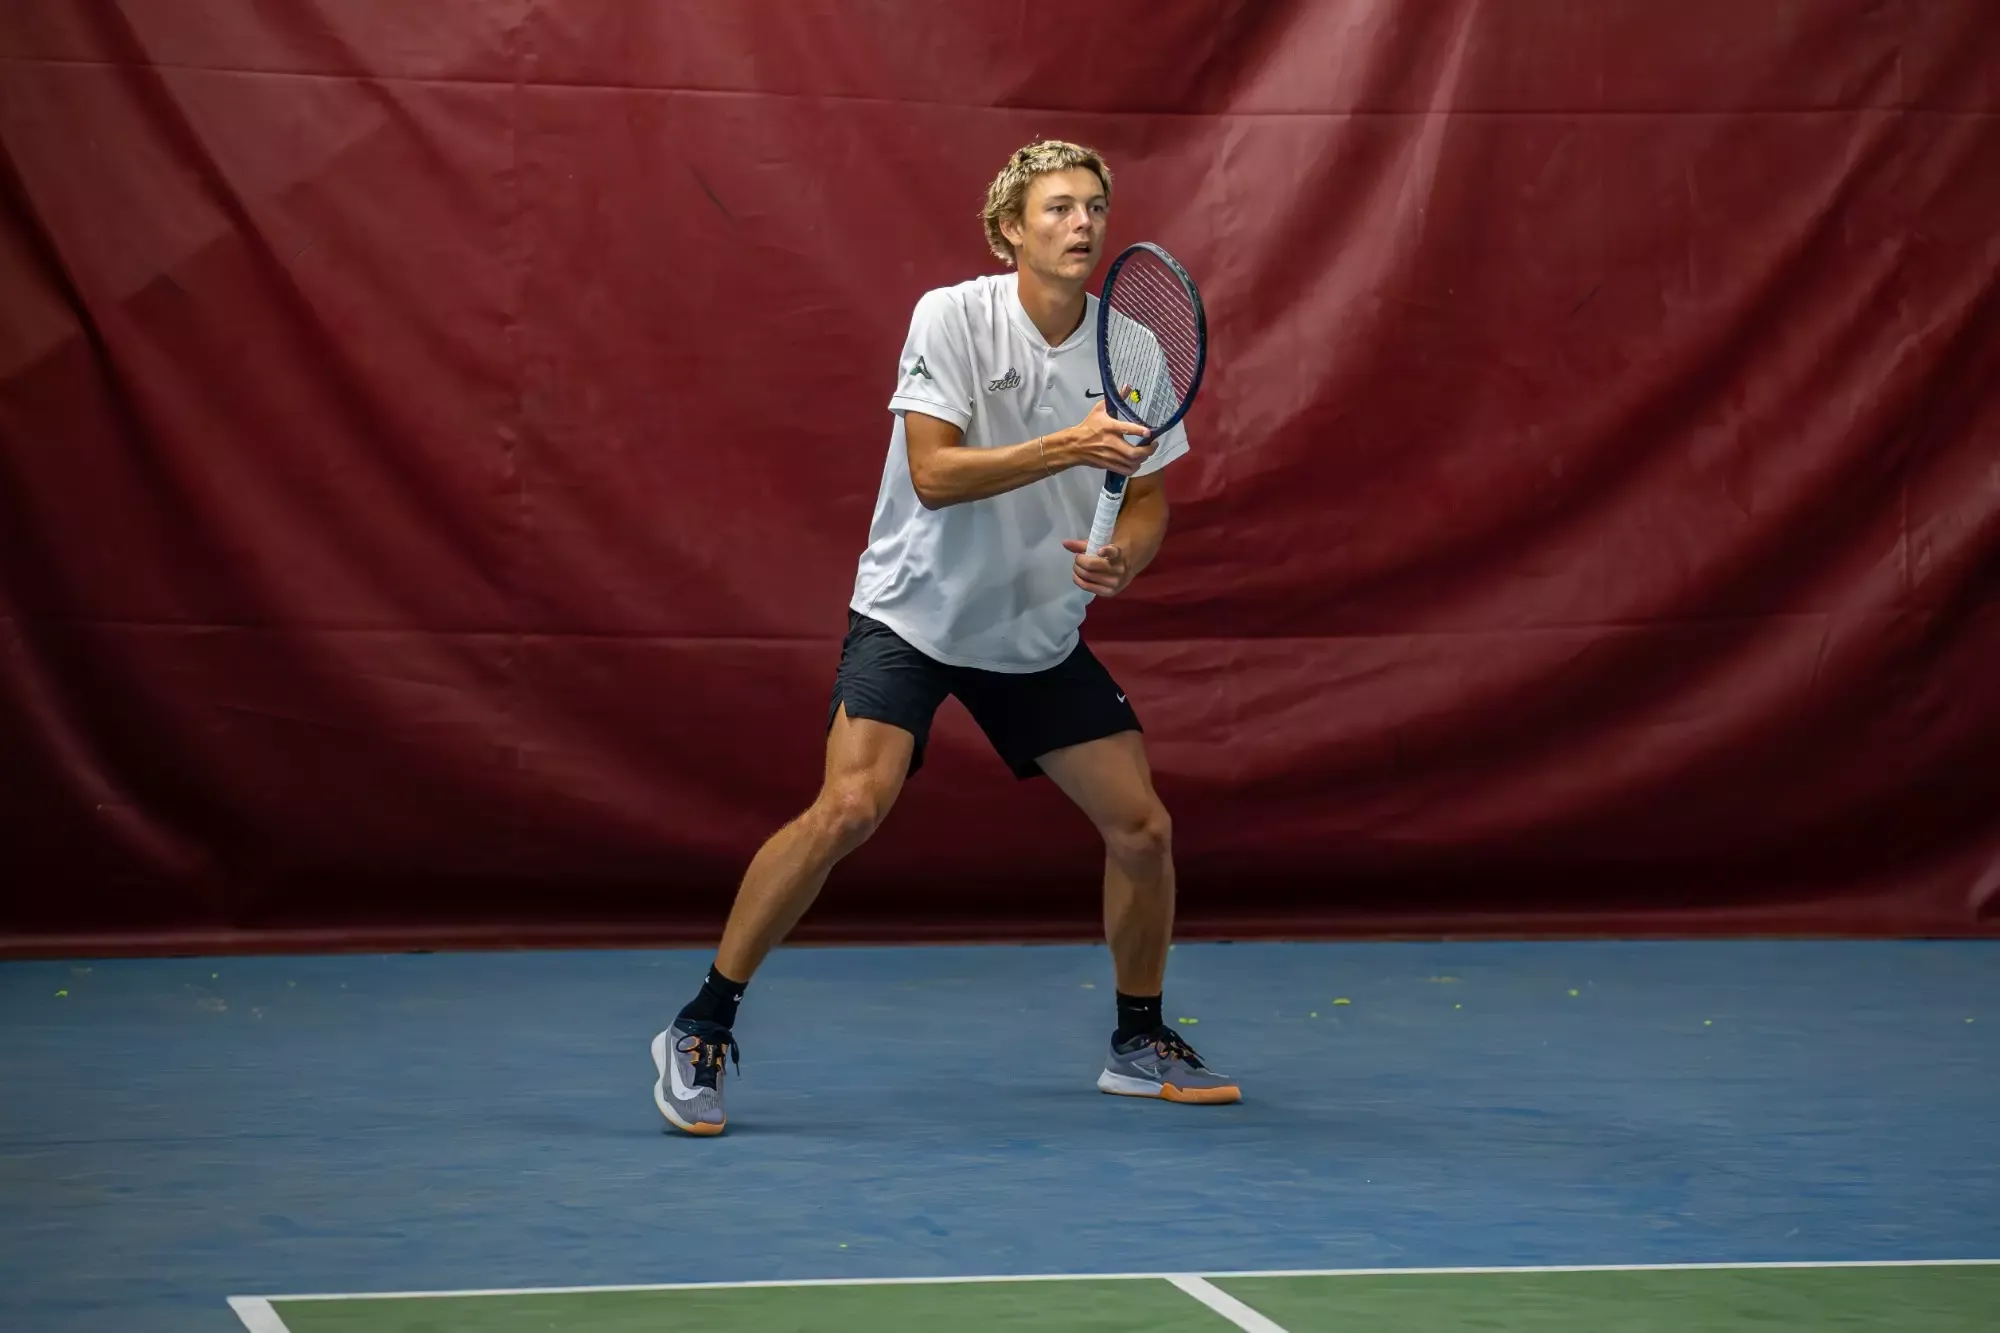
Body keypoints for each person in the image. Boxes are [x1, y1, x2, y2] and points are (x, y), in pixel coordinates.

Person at [651, 139, 1238, 1136]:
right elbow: (932, 473)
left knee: (1142, 829)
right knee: (849, 805)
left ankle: (1137, 1041)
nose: (1082, 223)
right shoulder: (953, 317)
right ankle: (700, 1022)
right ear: (1010, 229)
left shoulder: (1131, 349)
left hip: (1034, 632)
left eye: (1094, 207)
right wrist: (1067, 443)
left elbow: (1145, 500)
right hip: (915, 614)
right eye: (1057, 207)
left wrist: (1127, 558)